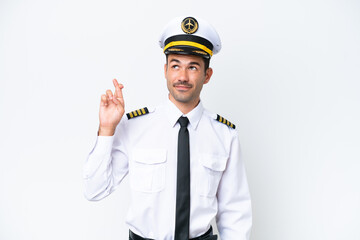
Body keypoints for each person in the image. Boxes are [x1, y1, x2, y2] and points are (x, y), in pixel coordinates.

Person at [83, 16, 252, 240]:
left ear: (207, 75)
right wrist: (106, 129)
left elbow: (235, 213)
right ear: (165, 70)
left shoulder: (225, 135)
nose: (182, 76)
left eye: (193, 67)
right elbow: (94, 190)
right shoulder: (136, 127)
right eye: (175, 66)